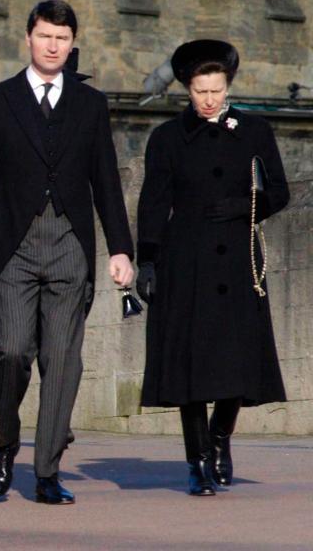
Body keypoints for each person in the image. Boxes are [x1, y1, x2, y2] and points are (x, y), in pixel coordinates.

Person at [0, 0, 135, 504]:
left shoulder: (90, 105)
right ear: (28, 38)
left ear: (72, 43)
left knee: (63, 361)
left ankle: (48, 470)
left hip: (70, 247)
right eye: (45, 35)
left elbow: (105, 182)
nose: (53, 45)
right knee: (11, 351)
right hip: (13, 247)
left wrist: (121, 248)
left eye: (63, 37)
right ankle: (6, 443)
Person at [136, 40, 290, 496]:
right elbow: (152, 203)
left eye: (217, 91)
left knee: (237, 362)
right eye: (201, 91)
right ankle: (197, 459)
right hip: (185, 261)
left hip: (240, 259)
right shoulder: (166, 138)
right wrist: (147, 259)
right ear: (187, 89)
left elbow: (280, 191)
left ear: (228, 87)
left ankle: (221, 434)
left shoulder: (255, 130)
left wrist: (245, 205)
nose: (209, 100)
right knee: (190, 368)